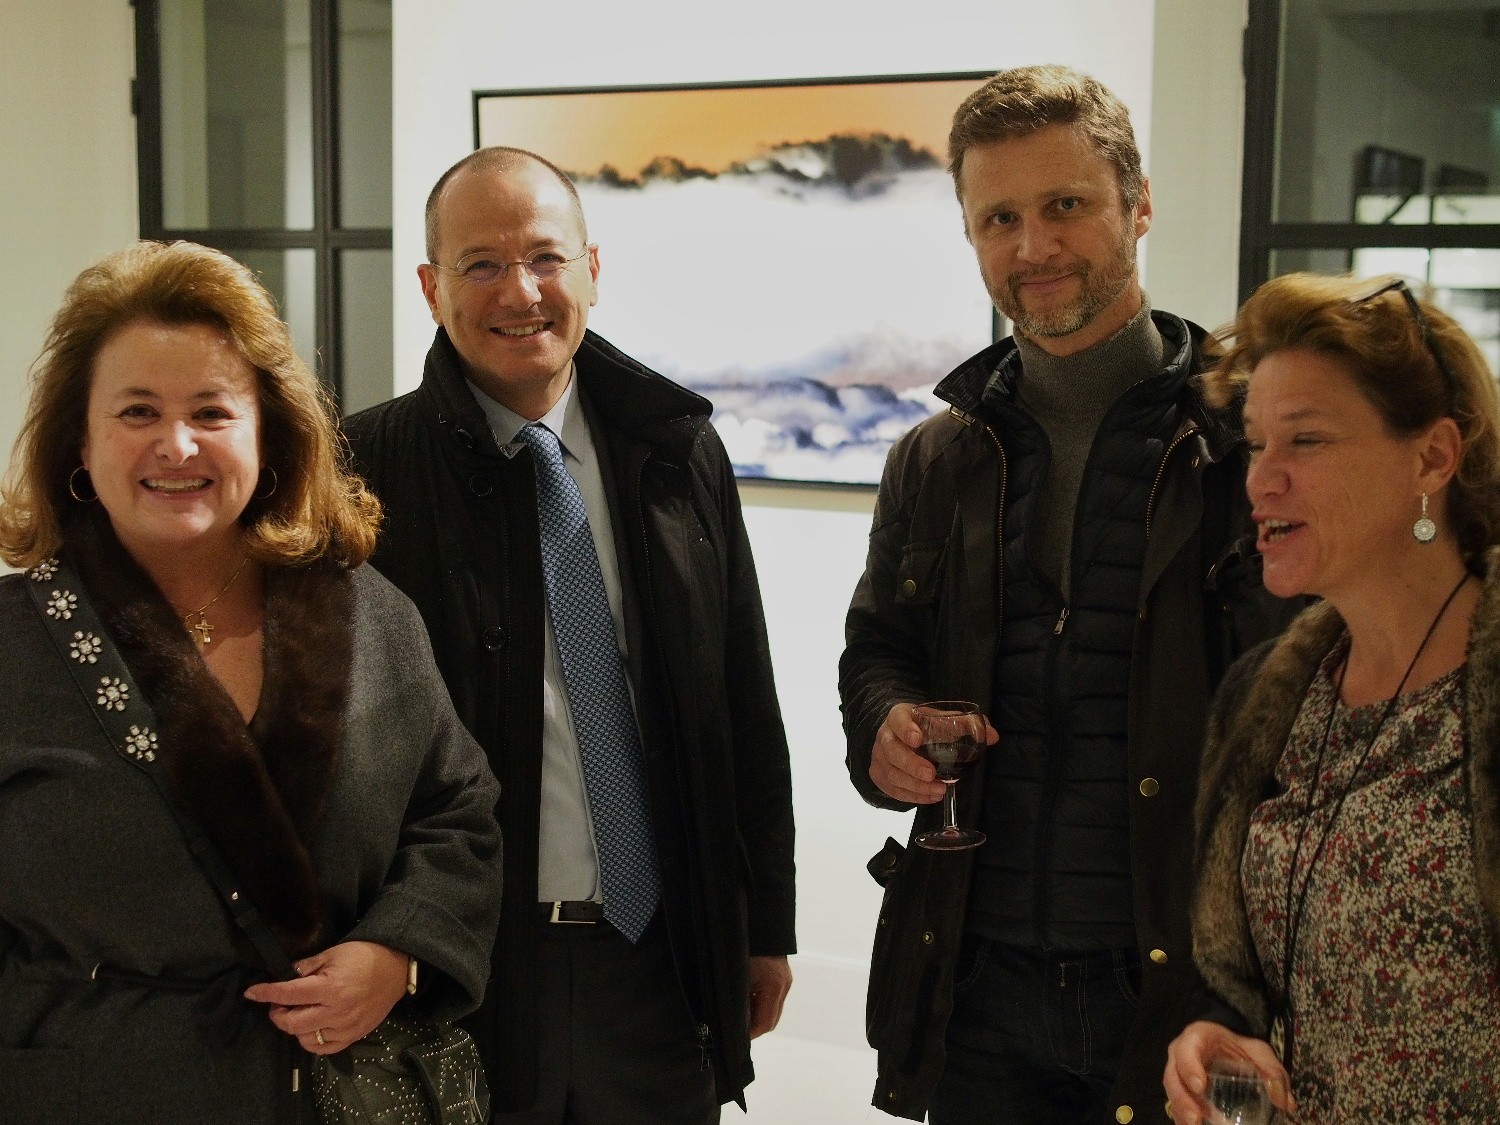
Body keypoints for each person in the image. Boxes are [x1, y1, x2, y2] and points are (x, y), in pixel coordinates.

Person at [839, 65, 1297, 1125]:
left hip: (1186, 994)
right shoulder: (932, 459)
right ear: (970, 234)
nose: (1034, 246)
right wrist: (884, 724)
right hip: (972, 987)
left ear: (1138, 205)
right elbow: (878, 649)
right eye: (999, 217)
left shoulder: (1246, 445)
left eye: (1065, 205)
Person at [0, 240, 502, 1124]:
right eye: (138, 411)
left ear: (267, 431)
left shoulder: (370, 615)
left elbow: (457, 809)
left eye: (212, 411)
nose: (177, 444)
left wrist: (400, 953)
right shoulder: (14, 644)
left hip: (333, 1092)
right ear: (79, 435)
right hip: (91, 1088)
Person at [342, 146, 796, 1124]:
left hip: (660, 964)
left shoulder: (677, 453)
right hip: (466, 971)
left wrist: (764, 925)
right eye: (481, 264)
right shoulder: (363, 473)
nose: (521, 292)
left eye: (547, 258)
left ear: (592, 269)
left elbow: (742, 698)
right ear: (430, 288)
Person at [1163, 272, 1500, 1123]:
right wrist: (1219, 1029)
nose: (1261, 482)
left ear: (1433, 457)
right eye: (1255, 444)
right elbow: (1258, 975)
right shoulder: (1270, 697)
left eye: (1305, 441)